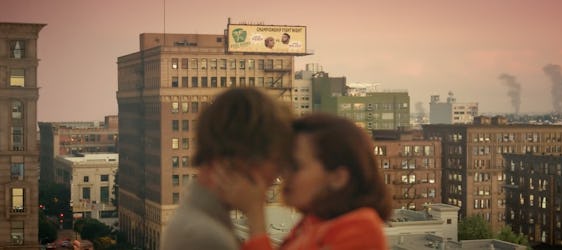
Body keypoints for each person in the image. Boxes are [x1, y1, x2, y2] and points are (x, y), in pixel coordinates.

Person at [216, 113, 392, 249]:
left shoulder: (361, 230)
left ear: (338, 178)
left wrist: (255, 213)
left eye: (295, 166)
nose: (285, 174)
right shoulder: (311, 223)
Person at [160, 88, 294, 250]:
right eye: (276, 162)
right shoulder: (207, 239)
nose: (278, 175)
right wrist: (256, 219)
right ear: (243, 158)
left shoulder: (201, 222)